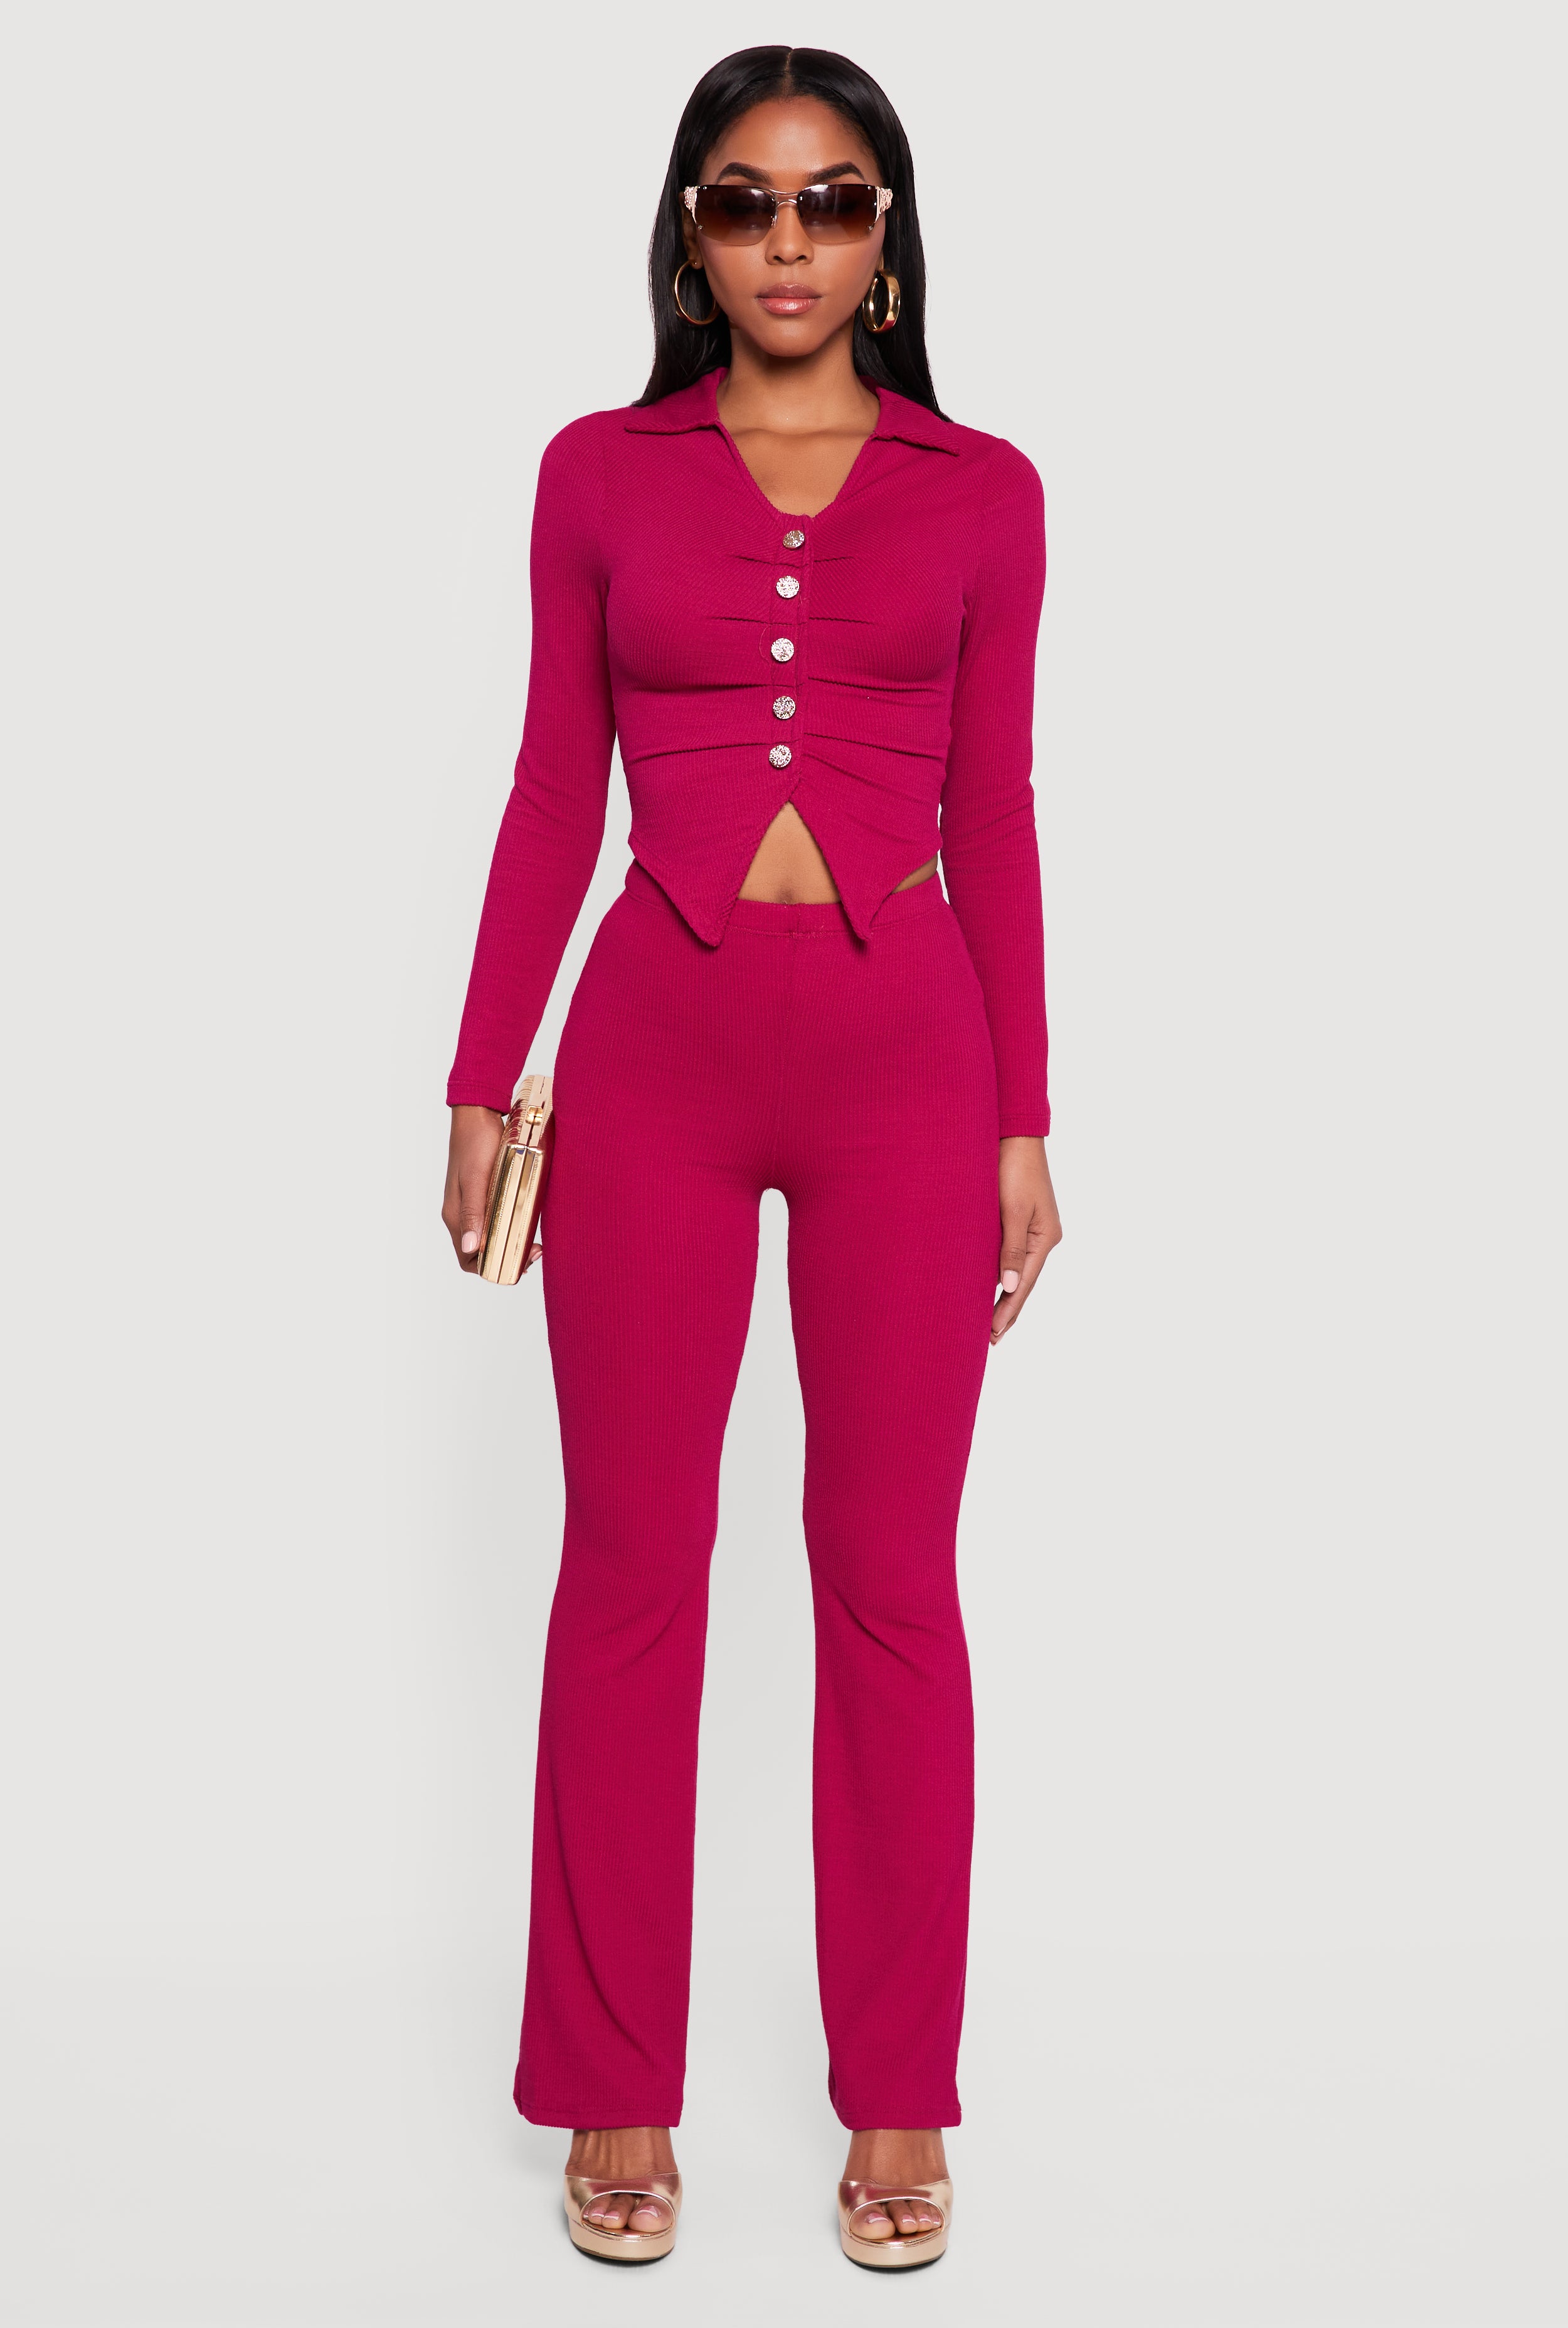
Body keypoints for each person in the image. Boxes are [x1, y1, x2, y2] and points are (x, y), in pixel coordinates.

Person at [441, 43, 1061, 2270]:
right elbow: (551, 782)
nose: (785, 239)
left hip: (908, 1065)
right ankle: (614, 2086)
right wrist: (481, 1073)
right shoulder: (594, 473)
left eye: (829, 200)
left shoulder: (984, 490)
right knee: (630, 1570)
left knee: (889, 1580)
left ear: (888, 243)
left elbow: (992, 808)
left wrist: (1023, 1119)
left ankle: (897, 2099)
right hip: (652, 1065)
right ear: (687, 238)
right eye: (741, 199)